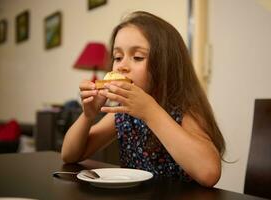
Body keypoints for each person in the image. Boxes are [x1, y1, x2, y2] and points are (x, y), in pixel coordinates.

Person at [61, 11, 225, 187]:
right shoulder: (124, 112)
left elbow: (209, 173)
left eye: (137, 57)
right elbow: (69, 155)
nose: (122, 66)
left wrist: (150, 111)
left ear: (166, 64)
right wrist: (88, 116)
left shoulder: (185, 109)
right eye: (117, 57)